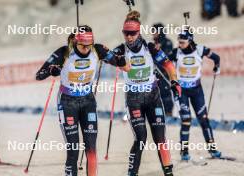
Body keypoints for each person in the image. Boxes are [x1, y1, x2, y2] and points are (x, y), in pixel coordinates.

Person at [36, 25, 130, 176]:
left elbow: (124, 66)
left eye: (89, 45)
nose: (86, 49)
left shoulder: (97, 49)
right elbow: (39, 75)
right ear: (75, 41)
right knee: (73, 148)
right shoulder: (64, 52)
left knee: (91, 148)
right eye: (83, 46)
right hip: (67, 102)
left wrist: (120, 61)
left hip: (88, 101)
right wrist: (51, 70)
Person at [113, 11, 181, 176]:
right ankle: (132, 172)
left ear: (139, 32)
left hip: (153, 98)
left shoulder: (150, 48)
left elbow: (169, 65)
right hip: (134, 99)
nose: (129, 37)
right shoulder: (120, 50)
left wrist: (174, 81)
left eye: (132, 33)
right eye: (125, 33)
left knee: (160, 138)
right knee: (141, 138)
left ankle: (168, 172)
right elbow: (105, 58)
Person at [168, 29, 222, 161]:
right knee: (186, 120)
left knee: (203, 119)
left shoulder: (200, 49)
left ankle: (212, 149)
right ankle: (184, 151)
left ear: (190, 40)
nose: (180, 44)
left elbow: (216, 58)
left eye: (183, 42)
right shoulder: (175, 52)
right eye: (179, 42)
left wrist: (217, 67)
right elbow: (163, 63)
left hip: (197, 90)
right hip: (181, 91)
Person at [152, 23, 174, 116]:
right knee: (155, 95)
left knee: (165, 93)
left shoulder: (167, 42)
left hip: (165, 73)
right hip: (156, 74)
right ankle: (158, 114)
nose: (152, 33)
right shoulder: (154, 44)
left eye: (154, 31)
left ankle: (168, 112)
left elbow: (167, 58)